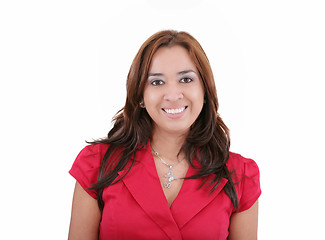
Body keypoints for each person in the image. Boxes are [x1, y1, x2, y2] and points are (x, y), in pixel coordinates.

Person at [68, 30, 261, 240]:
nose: (173, 95)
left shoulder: (241, 176)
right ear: (140, 95)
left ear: (205, 91)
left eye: (186, 79)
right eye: (157, 82)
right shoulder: (96, 164)